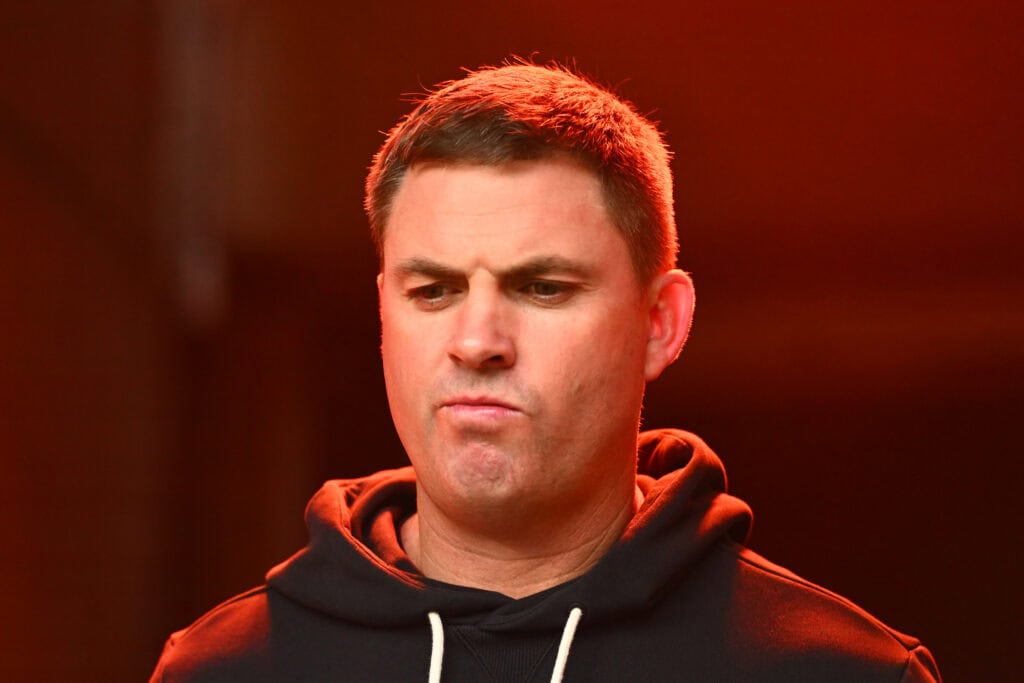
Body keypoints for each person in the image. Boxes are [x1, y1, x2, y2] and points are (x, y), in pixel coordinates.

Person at [150, 61, 941, 682]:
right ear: (385, 315)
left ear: (661, 324)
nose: (478, 340)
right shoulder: (224, 669)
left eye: (541, 287)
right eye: (435, 289)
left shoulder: (840, 673)